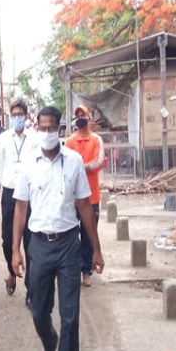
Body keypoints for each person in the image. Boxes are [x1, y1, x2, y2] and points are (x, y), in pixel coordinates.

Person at [11, 106, 105, 351]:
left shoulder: (74, 161)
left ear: (60, 130)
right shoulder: (28, 163)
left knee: (70, 316)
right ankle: (49, 343)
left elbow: (84, 206)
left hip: (67, 245)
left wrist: (96, 249)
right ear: (37, 128)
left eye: (53, 128)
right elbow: (20, 208)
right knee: (39, 311)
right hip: (38, 245)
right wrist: (15, 250)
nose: (48, 132)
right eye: (43, 127)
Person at [0, 98, 37, 307]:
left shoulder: (34, 138)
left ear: (26, 116)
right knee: (7, 241)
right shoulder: (3, 138)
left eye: (20, 114)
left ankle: (31, 289)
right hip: (9, 195)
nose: (16, 118)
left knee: (31, 242)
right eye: (13, 115)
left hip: (30, 195)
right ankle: (12, 271)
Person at [65, 105, 105, 288]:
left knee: (89, 235)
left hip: (91, 197)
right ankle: (72, 268)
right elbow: (65, 165)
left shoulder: (96, 140)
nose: (80, 117)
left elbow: (99, 162)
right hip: (72, 198)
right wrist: (83, 167)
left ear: (89, 118)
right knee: (71, 235)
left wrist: (80, 167)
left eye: (83, 115)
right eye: (78, 115)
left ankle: (86, 271)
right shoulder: (69, 141)